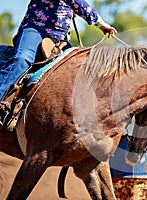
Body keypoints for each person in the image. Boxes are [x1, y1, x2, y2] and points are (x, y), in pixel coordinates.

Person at [0, 0, 117, 129]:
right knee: (22, 59)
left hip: (61, 37)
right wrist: (99, 22)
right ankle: (2, 101)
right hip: (36, 28)